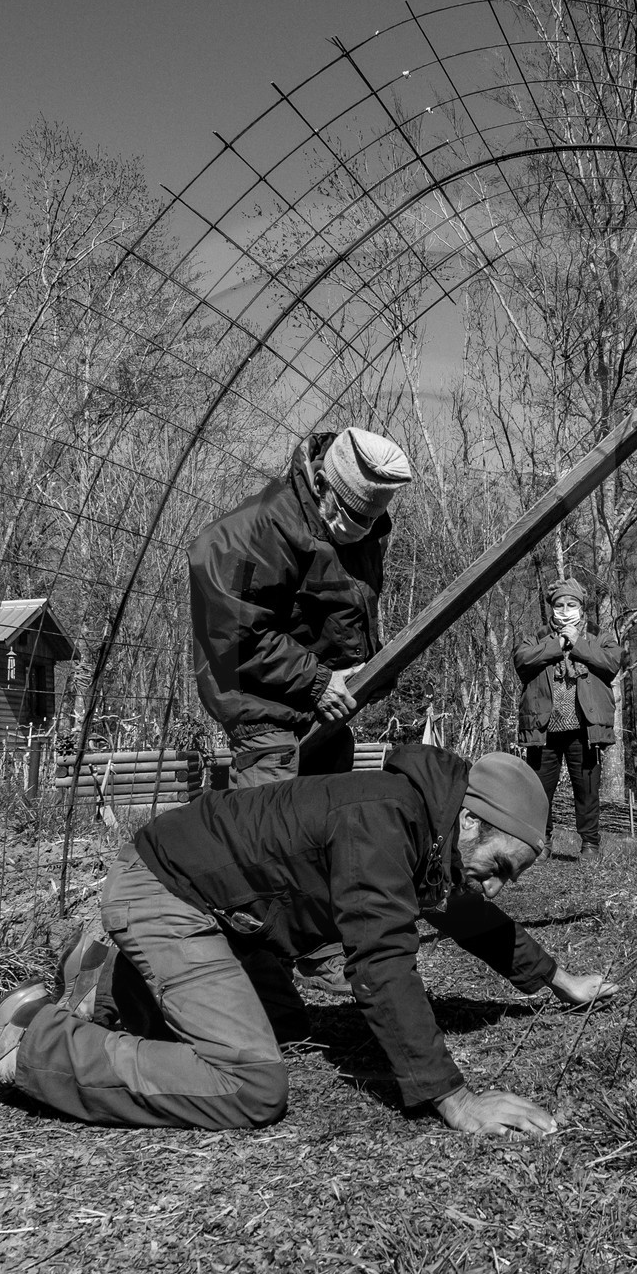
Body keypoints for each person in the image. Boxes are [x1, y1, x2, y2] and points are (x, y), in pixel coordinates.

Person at [0, 746, 618, 1135]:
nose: (495, 888)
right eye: (499, 868)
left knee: (281, 1021)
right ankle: (26, 1048)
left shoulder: (424, 821)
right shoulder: (382, 825)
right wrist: (456, 1100)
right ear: (470, 822)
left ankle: (103, 974)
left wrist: (557, 981)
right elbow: (382, 967)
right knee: (248, 1084)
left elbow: (468, 914)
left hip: (214, 905)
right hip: (170, 894)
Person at [189, 425, 413, 992]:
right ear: (324, 484)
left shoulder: (358, 528)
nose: (362, 529)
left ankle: (313, 956)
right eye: (355, 515)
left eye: (371, 519)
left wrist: (368, 671)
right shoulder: (251, 532)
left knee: (328, 830)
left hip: (323, 706)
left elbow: (343, 610)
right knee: (264, 842)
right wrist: (316, 681)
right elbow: (237, 636)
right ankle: (254, 980)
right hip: (264, 705)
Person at [513, 577, 623, 860]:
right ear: (551, 609)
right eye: (559, 605)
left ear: (581, 607)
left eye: (571, 604)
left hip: (585, 729)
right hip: (544, 729)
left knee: (586, 790)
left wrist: (577, 643)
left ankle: (590, 845)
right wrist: (557, 642)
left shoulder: (600, 636)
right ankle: (541, 843)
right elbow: (522, 661)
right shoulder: (537, 638)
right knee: (539, 791)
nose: (565, 610)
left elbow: (611, 664)